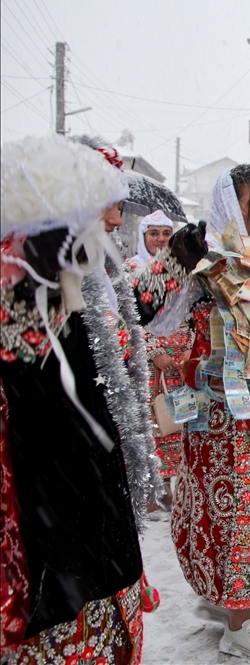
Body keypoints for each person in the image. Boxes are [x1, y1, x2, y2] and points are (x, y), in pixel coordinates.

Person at [135, 165, 250, 660]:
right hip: (219, 420)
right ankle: (239, 620)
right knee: (231, 511)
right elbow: (148, 314)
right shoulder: (202, 263)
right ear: (235, 204)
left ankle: (226, 597)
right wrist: (174, 265)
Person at [1, 135, 163, 663]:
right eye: (106, 207)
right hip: (53, 554)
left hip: (91, 526)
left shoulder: (67, 295)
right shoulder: (25, 314)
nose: (116, 222)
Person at [125, 210, 195, 515]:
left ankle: (171, 489)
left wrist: (188, 350)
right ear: (143, 237)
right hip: (147, 363)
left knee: (176, 424)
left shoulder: (184, 272)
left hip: (179, 363)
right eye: (154, 233)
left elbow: (192, 316)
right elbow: (129, 320)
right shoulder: (132, 270)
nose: (160, 240)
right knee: (149, 426)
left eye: (166, 234)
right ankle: (150, 492)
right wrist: (155, 352)